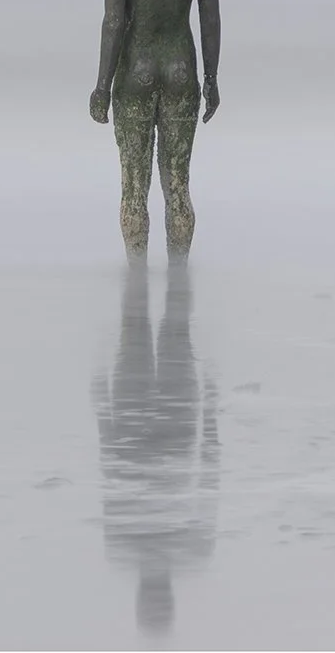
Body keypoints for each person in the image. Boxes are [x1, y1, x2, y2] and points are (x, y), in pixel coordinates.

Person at [90, 0, 220, 260]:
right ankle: (179, 281)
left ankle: (136, 282)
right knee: (177, 182)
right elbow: (209, 21)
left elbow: (114, 24)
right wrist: (211, 78)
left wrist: (101, 86)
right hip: (181, 70)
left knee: (134, 184)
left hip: (135, 73)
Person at [91, 263, 219, 639]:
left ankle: (146, 269)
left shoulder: (126, 547)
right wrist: (210, 412)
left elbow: (111, 470)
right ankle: (171, 267)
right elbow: (209, 475)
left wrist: (102, 409)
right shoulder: (188, 551)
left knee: (139, 329)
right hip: (166, 431)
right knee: (164, 329)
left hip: (144, 428)